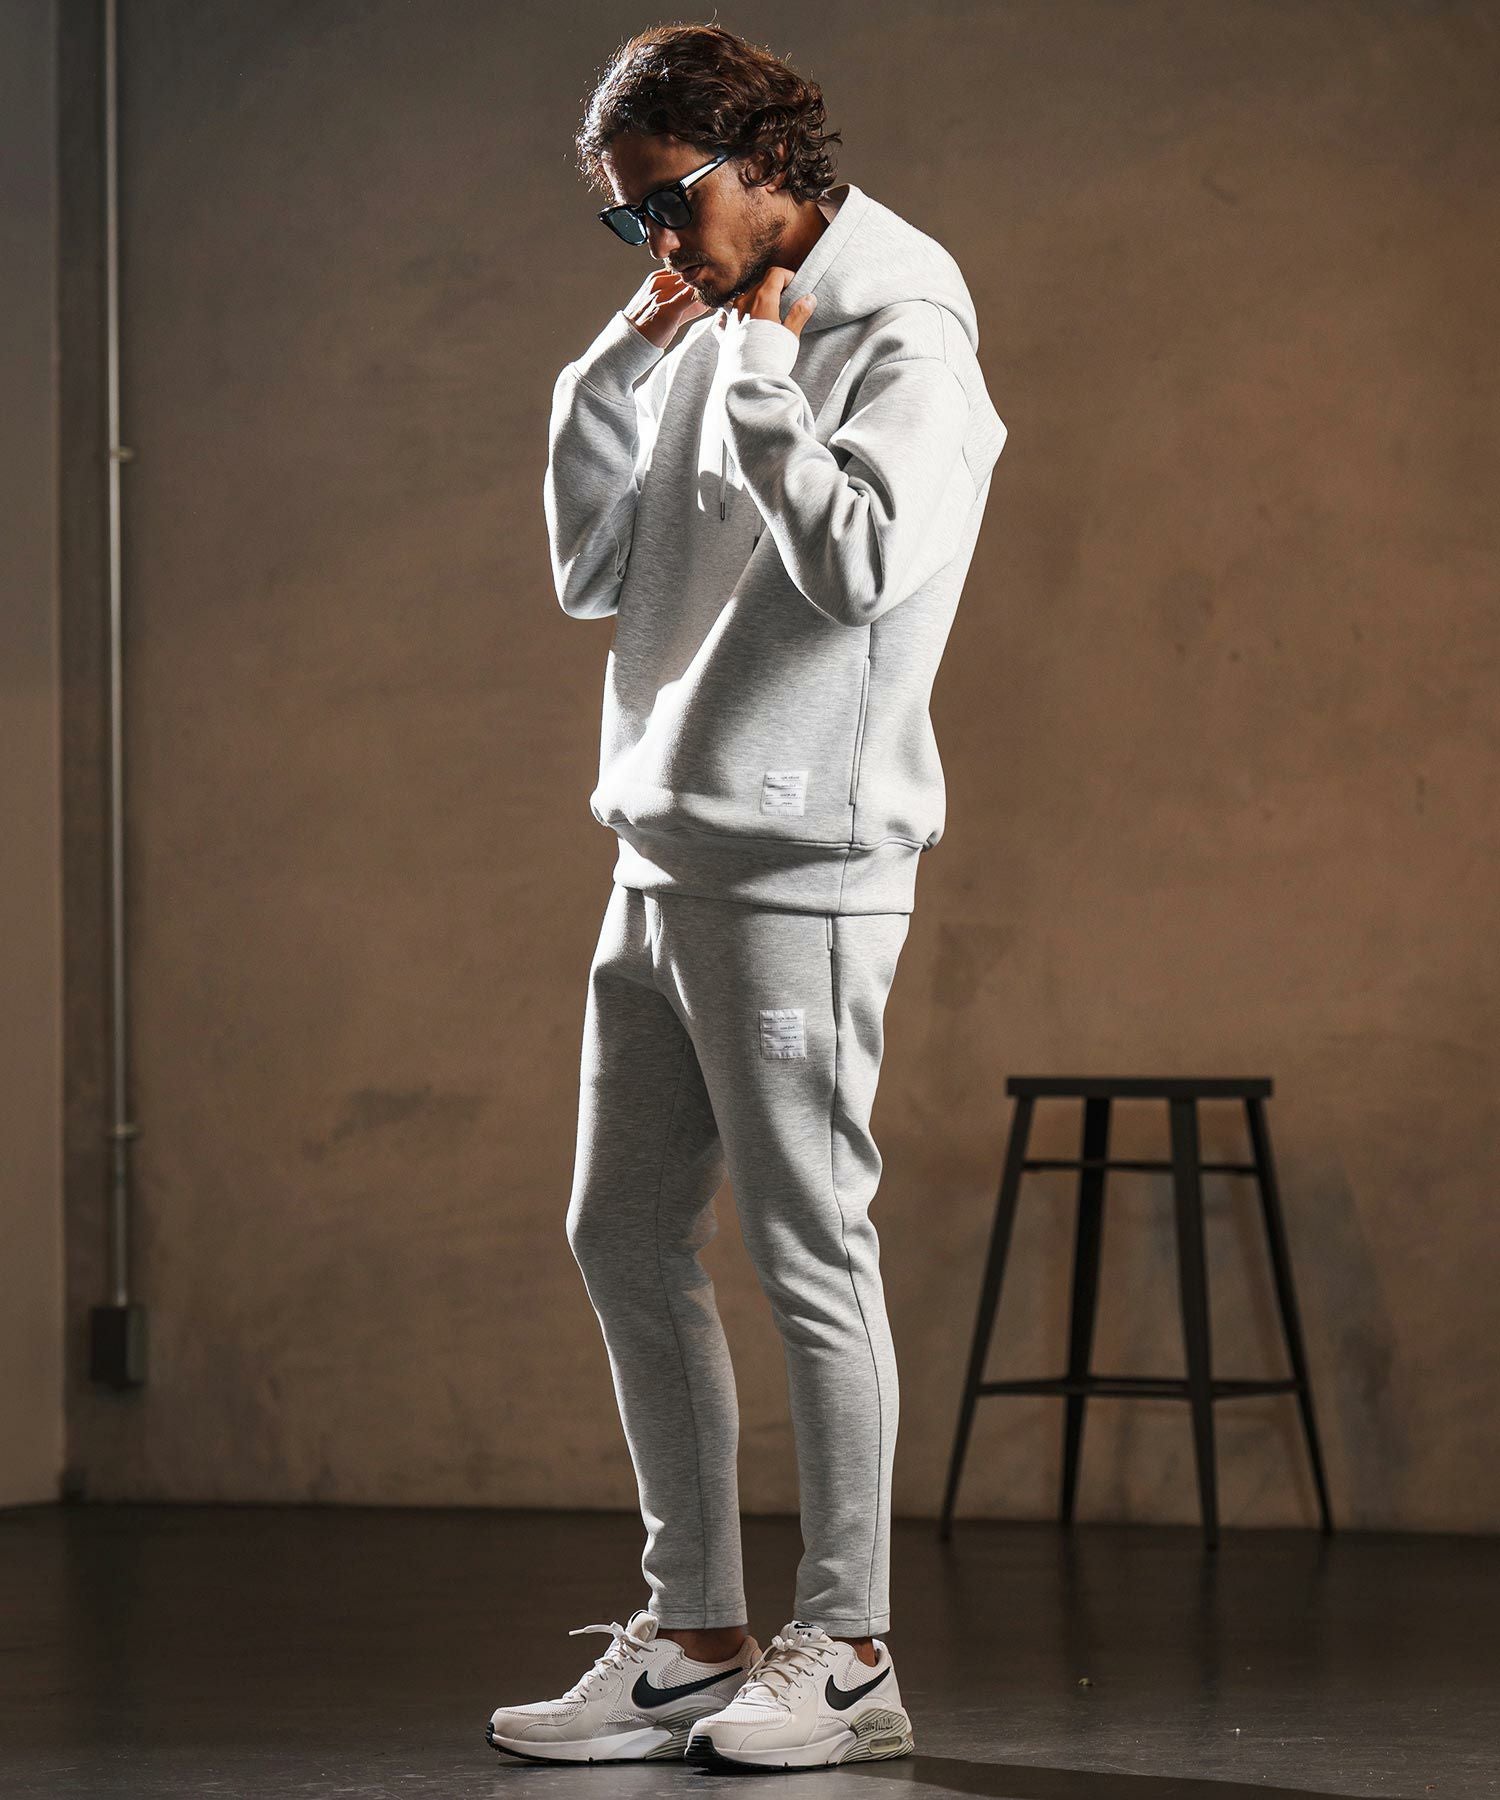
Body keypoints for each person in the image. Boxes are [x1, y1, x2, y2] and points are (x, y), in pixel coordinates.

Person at [488, 21, 1006, 1772]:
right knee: (620, 1234)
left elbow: (862, 565)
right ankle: (696, 1637)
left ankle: (847, 1651)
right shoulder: (710, 313)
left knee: (808, 1249)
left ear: (766, 158)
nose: (656, 241)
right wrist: (605, 377)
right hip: (660, 847)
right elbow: (593, 575)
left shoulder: (904, 326)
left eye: (669, 202)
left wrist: (770, 378)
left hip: (802, 867)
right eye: (625, 217)